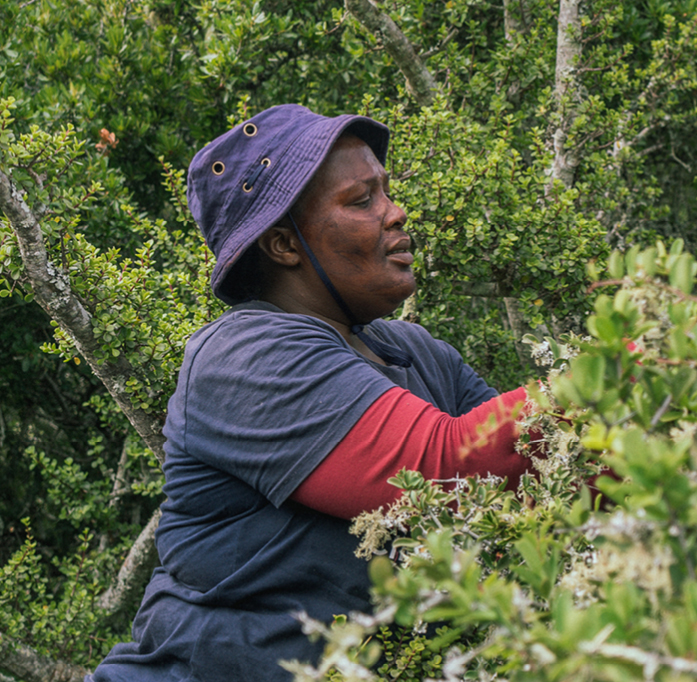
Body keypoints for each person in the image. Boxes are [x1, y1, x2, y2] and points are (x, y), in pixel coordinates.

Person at [86, 104, 534, 682]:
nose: (396, 213)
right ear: (282, 245)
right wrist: (632, 361)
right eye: (361, 199)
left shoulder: (416, 353)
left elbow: (536, 472)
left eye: (387, 192)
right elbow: (444, 465)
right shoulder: (244, 356)